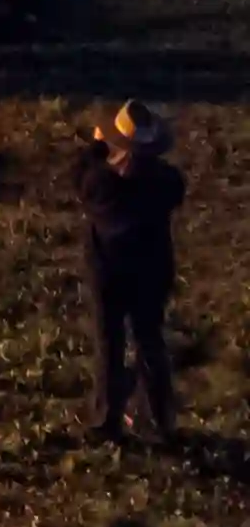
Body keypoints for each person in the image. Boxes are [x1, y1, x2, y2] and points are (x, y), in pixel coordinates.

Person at [76, 101, 185, 441]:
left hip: (108, 271)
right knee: (149, 339)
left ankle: (106, 417)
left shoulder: (101, 187)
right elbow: (173, 181)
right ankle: (157, 418)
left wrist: (95, 150)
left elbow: (79, 176)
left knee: (110, 341)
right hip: (153, 269)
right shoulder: (166, 183)